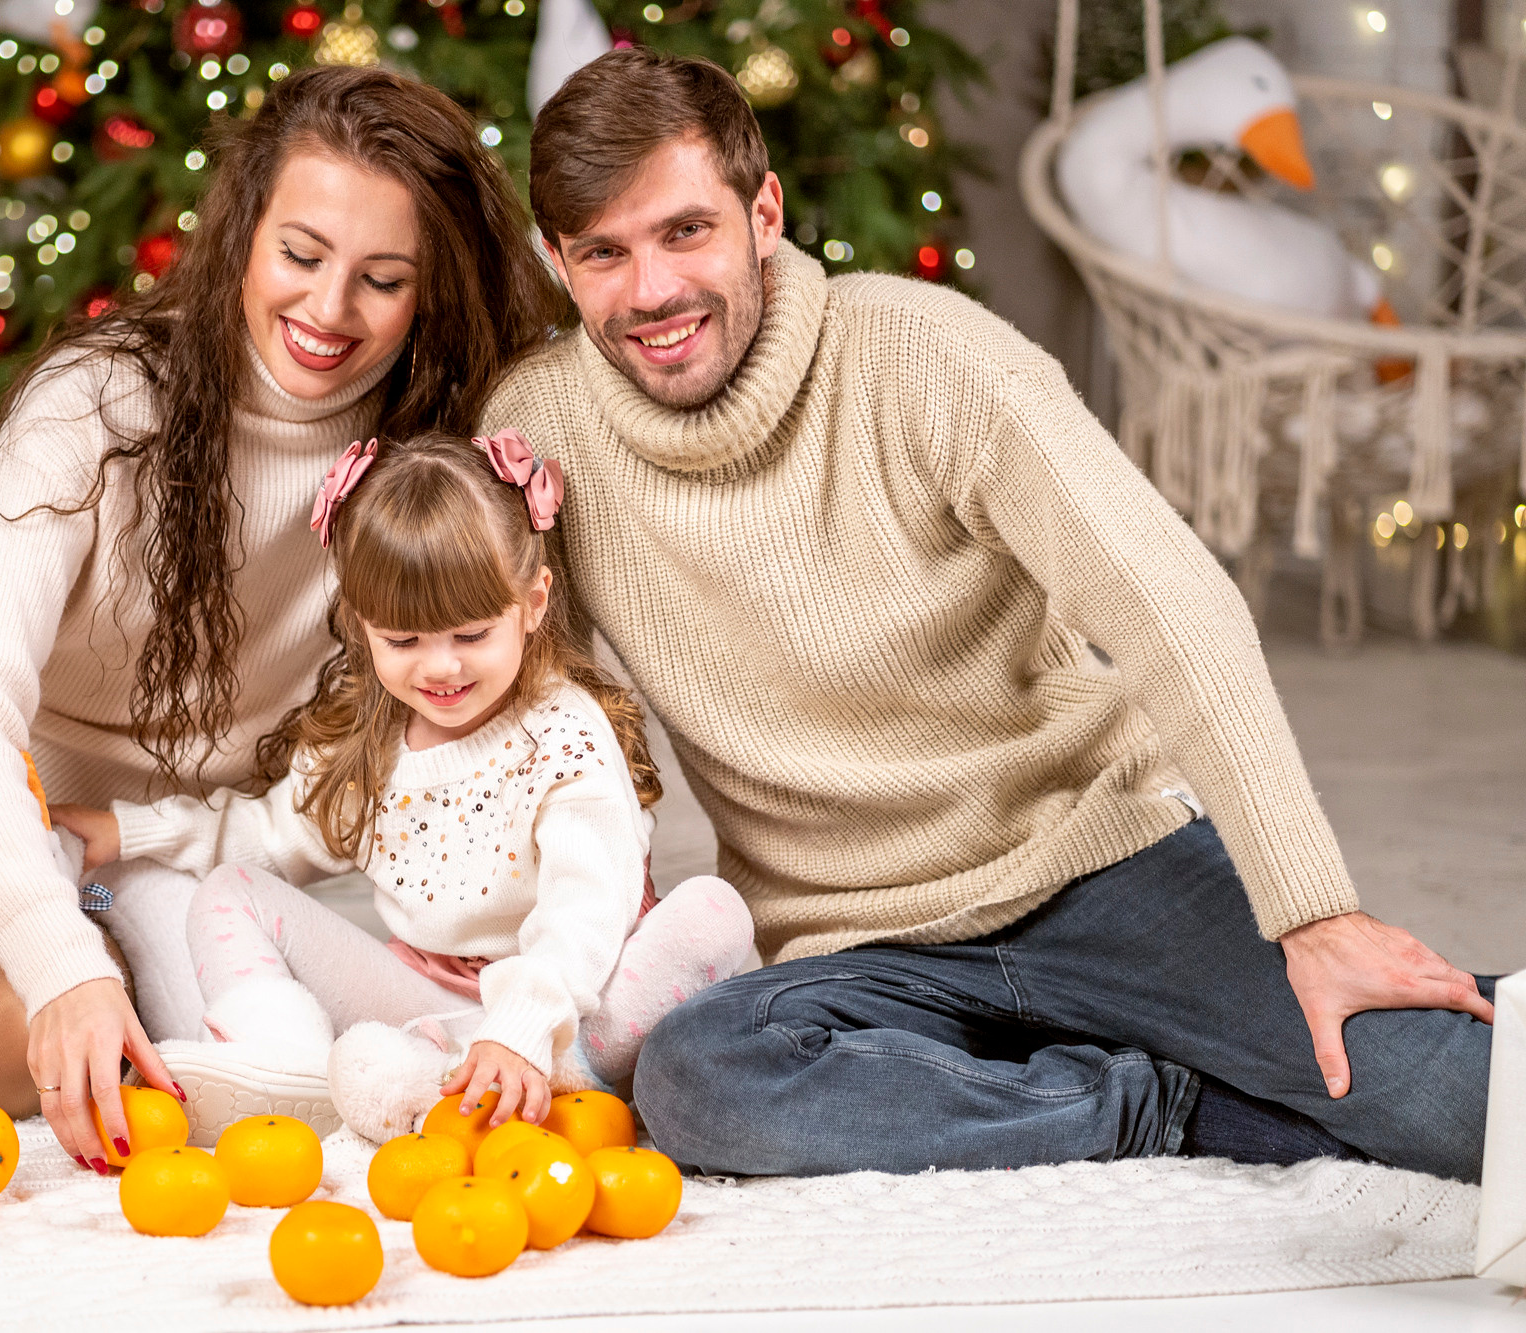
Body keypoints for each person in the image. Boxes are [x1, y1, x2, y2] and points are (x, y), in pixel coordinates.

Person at [481, 48, 1496, 1182]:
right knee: (699, 1081)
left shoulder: (926, 355)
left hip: (1096, 867)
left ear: (761, 213)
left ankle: (1355, 1028)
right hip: (858, 951)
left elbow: (1173, 605)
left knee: (1456, 1105)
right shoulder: (537, 431)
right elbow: (503, 709)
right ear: (557, 265)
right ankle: (1154, 1101)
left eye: (683, 232)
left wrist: (1313, 915)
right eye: (603, 254)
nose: (651, 290)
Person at [0, 65, 565, 1174]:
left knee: (48, 1043)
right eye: (299, 256)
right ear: (245, 232)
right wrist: (62, 961)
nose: (328, 310)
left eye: (381, 279)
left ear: (428, 290)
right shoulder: (103, 402)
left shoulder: (429, 470)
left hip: (113, 847)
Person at [50, 431, 756, 1144]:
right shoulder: (371, 739)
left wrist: (521, 1026)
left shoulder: (563, 737)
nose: (440, 667)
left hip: (573, 996)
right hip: (435, 1001)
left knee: (712, 913)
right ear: (364, 626)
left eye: (472, 634)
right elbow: (268, 834)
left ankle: (562, 1074)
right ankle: (291, 1068)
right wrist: (129, 833)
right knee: (231, 890)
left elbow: (585, 907)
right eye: (404, 640)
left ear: (533, 603)